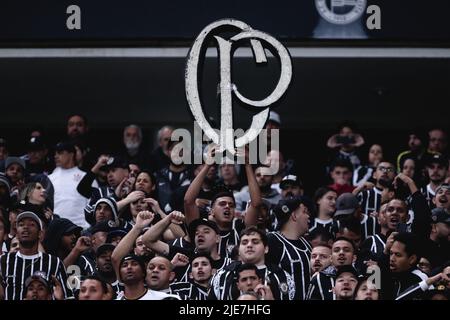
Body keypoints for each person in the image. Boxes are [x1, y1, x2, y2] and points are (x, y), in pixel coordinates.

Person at [0, 211, 72, 300]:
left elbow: (68, 296)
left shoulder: (54, 263)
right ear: (17, 234)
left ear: (40, 234)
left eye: (31, 225)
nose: (25, 227)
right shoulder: (3, 261)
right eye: (21, 225)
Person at [209, 226, 295, 300]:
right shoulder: (223, 276)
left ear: (266, 249)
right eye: (244, 242)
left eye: (255, 242)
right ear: (238, 250)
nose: (249, 245)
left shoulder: (282, 277)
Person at [264, 197, 312, 300]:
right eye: (304, 212)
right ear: (294, 216)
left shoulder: (307, 244)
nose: (308, 216)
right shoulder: (272, 240)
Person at [49, 141, 92, 229]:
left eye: (60, 153)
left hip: (81, 227)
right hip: (56, 227)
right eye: (55, 153)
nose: (56, 156)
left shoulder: (85, 176)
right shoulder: (49, 178)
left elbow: (93, 203)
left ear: (71, 154)